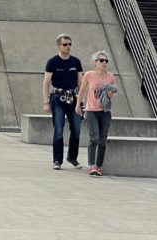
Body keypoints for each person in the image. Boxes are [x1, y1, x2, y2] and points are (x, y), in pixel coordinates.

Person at [43, 33, 83, 170]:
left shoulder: (76, 62)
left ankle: (72, 157)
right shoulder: (52, 62)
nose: (68, 47)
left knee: (76, 129)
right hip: (57, 98)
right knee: (58, 129)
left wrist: (81, 101)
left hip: (73, 98)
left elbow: (80, 82)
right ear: (59, 45)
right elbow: (46, 82)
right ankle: (57, 160)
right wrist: (46, 102)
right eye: (65, 44)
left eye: (70, 44)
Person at [76, 50, 118, 177]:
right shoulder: (89, 75)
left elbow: (114, 92)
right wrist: (78, 105)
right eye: (101, 60)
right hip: (91, 111)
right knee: (94, 138)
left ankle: (99, 166)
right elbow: (82, 90)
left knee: (102, 140)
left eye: (106, 61)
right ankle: (91, 165)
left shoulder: (110, 76)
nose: (104, 63)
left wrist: (111, 94)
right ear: (95, 62)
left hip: (105, 112)